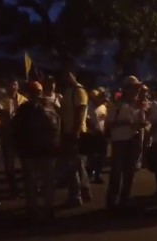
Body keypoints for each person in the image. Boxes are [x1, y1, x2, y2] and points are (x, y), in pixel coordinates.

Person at [12, 81, 60, 221]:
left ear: (29, 93)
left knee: (31, 182)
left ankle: (32, 210)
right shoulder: (51, 106)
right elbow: (58, 126)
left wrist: (17, 147)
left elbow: (16, 128)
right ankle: (48, 209)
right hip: (49, 149)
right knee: (48, 181)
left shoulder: (24, 108)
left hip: (30, 150)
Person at [105, 76, 145, 209]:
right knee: (116, 171)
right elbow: (108, 123)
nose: (137, 90)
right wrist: (124, 122)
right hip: (119, 140)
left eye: (138, 87)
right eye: (134, 87)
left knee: (130, 172)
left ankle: (125, 199)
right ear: (126, 89)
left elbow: (141, 122)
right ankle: (112, 200)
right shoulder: (116, 105)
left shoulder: (139, 104)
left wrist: (142, 122)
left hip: (133, 139)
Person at [60, 72, 91, 206]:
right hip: (68, 132)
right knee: (77, 163)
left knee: (72, 165)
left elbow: (80, 112)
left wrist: (75, 132)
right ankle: (85, 191)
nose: (65, 78)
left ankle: (75, 196)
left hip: (73, 133)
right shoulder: (69, 91)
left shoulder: (79, 91)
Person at [0, 77, 28, 198]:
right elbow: (1, 117)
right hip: (8, 136)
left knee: (25, 164)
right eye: (10, 84)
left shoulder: (23, 100)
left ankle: (28, 188)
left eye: (14, 84)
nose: (12, 87)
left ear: (18, 86)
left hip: (21, 137)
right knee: (9, 166)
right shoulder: (1, 101)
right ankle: (14, 190)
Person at [86, 89, 108, 184]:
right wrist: (92, 128)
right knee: (92, 156)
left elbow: (105, 119)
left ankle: (98, 175)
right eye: (102, 98)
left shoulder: (103, 107)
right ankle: (89, 173)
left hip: (102, 134)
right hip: (92, 135)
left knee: (102, 156)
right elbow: (86, 120)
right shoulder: (89, 106)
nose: (103, 101)